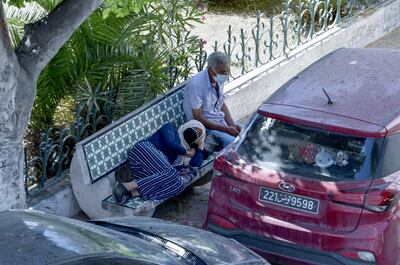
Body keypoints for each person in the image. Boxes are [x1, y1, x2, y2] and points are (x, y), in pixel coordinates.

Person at [112, 120, 205, 205]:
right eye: (195, 128)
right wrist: (187, 153)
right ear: (189, 125)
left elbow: (195, 165)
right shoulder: (170, 127)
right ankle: (127, 186)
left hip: (149, 175)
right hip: (143, 151)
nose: (195, 132)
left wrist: (200, 146)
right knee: (172, 173)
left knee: (179, 185)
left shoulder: (184, 155)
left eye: (198, 134)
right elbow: (170, 143)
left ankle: (132, 193)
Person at [183, 51, 241, 149]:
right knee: (236, 145)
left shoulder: (217, 78)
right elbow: (199, 118)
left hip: (220, 123)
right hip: (205, 129)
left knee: (248, 133)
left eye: (228, 70)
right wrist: (226, 129)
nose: (226, 74)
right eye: (223, 72)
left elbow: (221, 103)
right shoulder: (196, 85)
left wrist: (232, 123)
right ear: (210, 69)